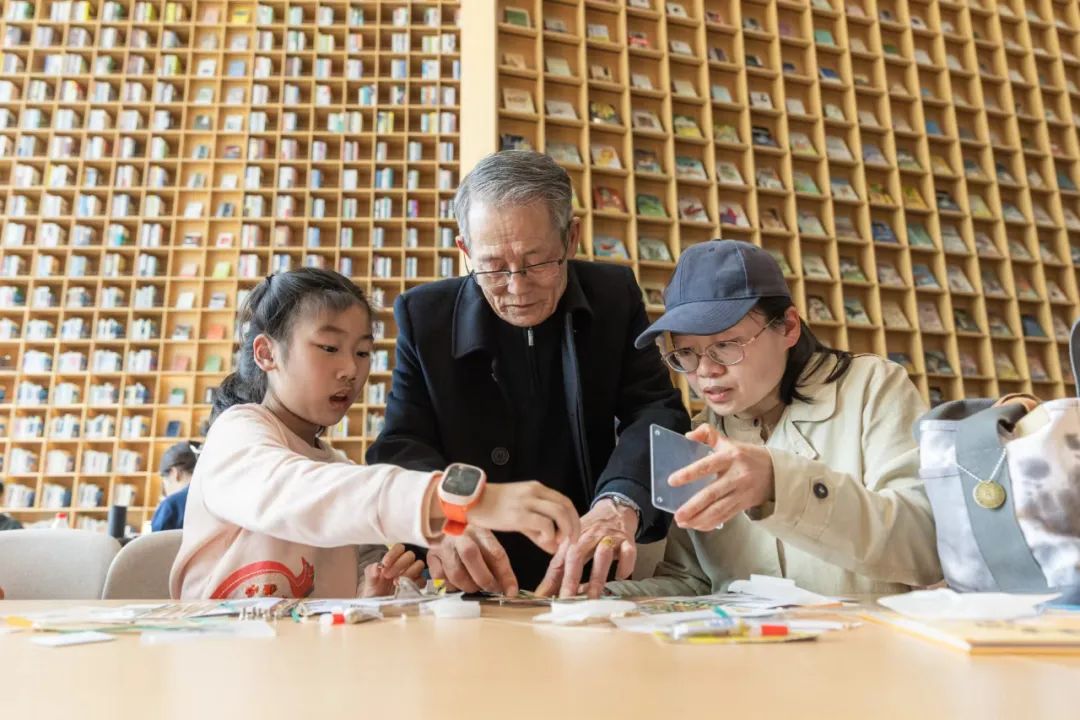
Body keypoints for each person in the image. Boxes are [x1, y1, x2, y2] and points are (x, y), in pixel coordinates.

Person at [367, 151, 690, 598]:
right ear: (465, 250)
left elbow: (656, 412)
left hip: (587, 564)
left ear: (571, 238)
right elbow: (403, 443)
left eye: (537, 263)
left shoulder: (613, 296)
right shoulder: (425, 316)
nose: (517, 287)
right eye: (494, 266)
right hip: (467, 568)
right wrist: (447, 519)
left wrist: (621, 502)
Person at [170, 268, 578, 600]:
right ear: (266, 353)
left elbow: (350, 583)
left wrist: (373, 593)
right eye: (329, 348)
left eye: (363, 352)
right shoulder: (236, 433)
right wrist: (464, 501)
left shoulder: (338, 467)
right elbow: (300, 493)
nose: (351, 369)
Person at [608, 240, 943, 597]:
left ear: (788, 327)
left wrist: (778, 483)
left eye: (726, 345)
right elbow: (692, 582)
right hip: (746, 635)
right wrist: (601, 597)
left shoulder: (871, 388)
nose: (705, 370)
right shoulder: (698, 435)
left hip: (865, 632)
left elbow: (924, 546)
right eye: (686, 352)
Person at [150, 442, 199, 532]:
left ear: (174, 473)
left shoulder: (171, 505)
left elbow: (155, 539)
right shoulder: (211, 497)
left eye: (164, 482)